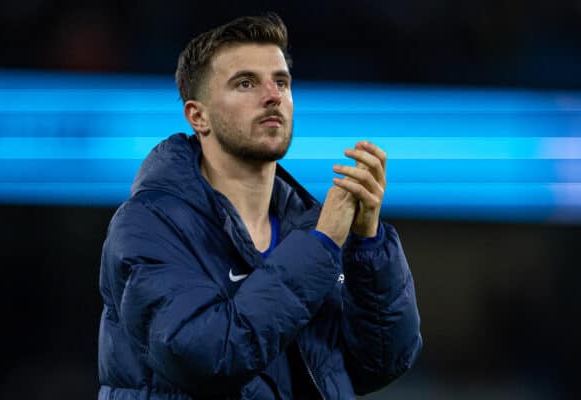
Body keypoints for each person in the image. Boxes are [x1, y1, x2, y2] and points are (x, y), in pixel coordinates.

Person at [98, 13, 421, 400]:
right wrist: (321, 247)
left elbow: (381, 363)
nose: (272, 95)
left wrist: (367, 248)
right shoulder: (149, 224)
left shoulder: (308, 225)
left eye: (281, 82)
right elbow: (206, 356)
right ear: (197, 116)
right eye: (246, 83)